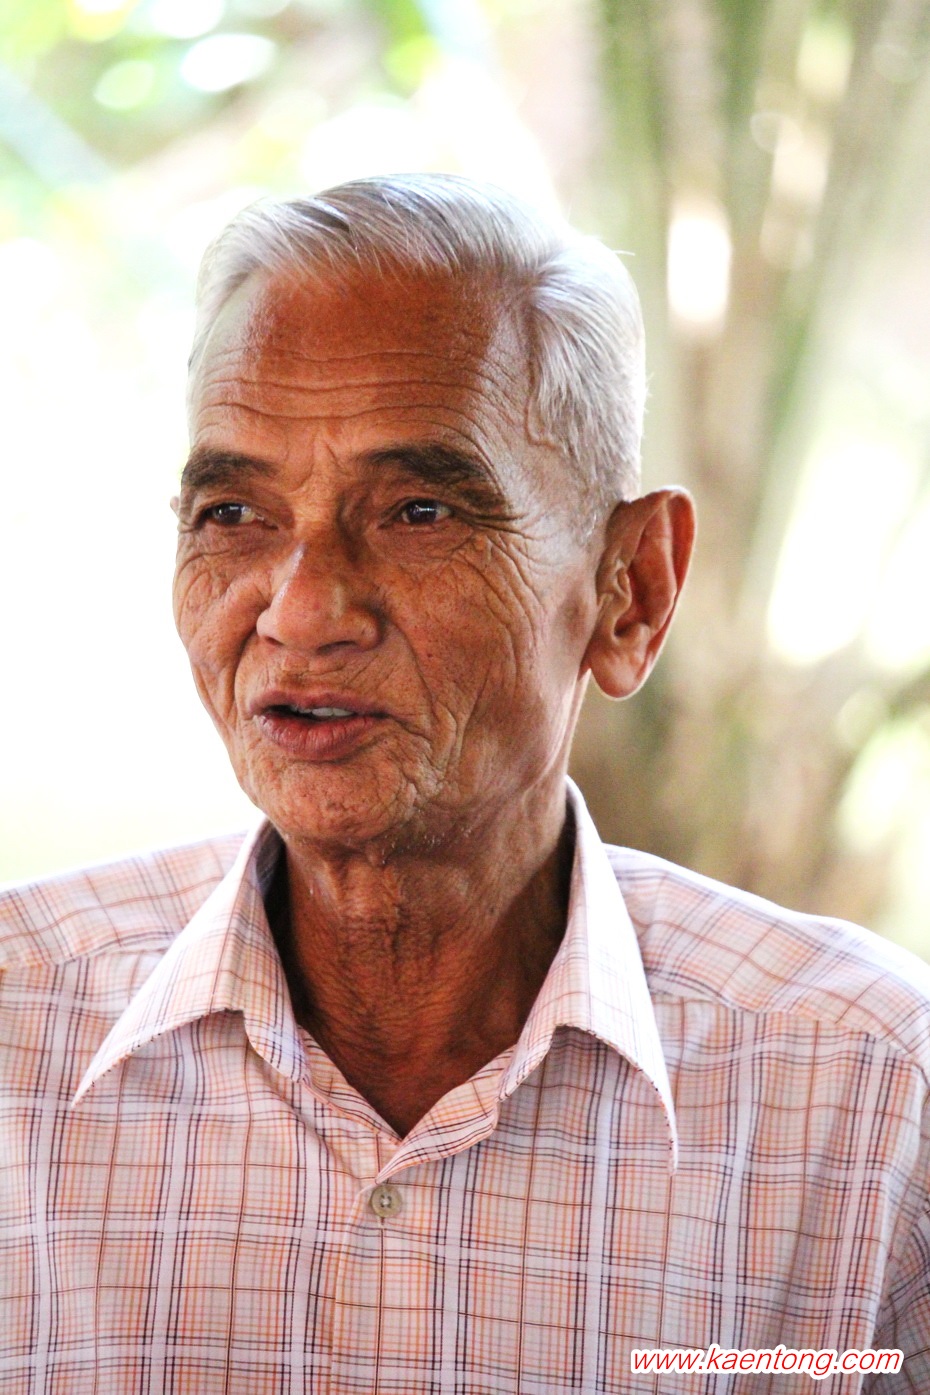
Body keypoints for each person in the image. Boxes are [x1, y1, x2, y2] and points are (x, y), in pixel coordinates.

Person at [1, 174, 928, 1394]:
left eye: (420, 511)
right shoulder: (16, 1033)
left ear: (631, 591)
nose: (302, 611)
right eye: (232, 512)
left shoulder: (873, 1100)